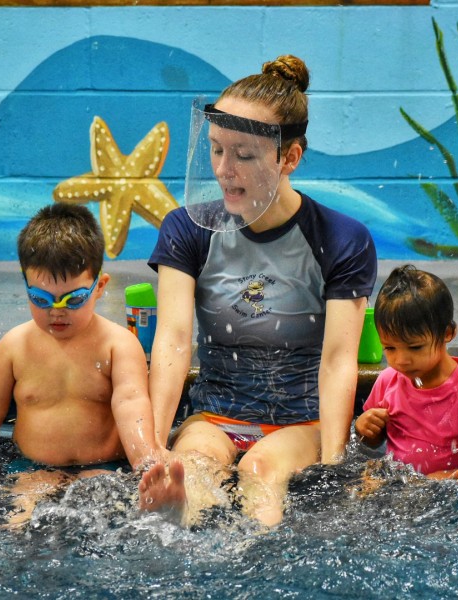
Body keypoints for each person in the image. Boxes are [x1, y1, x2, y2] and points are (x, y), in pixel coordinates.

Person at [138, 54, 378, 527]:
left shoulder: (342, 239)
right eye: (216, 150)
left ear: (289, 157)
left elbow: (337, 361)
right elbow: (172, 339)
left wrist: (334, 466)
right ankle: (179, 543)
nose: (225, 169)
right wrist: (155, 447)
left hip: (301, 422)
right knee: (196, 468)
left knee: (260, 469)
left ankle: (254, 563)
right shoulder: (187, 228)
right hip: (215, 414)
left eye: (244, 155)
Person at [0, 203, 163, 525]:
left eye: (73, 299)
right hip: (30, 471)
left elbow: (131, 403)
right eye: (41, 299)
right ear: (25, 288)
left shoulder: (118, 344)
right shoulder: (15, 345)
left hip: (102, 470)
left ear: (100, 287)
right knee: (17, 530)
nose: (56, 312)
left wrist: (146, 462)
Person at [354, 266, 458, 488]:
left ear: (448, 333)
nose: (401, 360)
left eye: (415, 347)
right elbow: (373, 440)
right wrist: (363, 429)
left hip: (449, 488)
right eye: (389, 348)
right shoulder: (389, 380)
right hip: (399, 484)